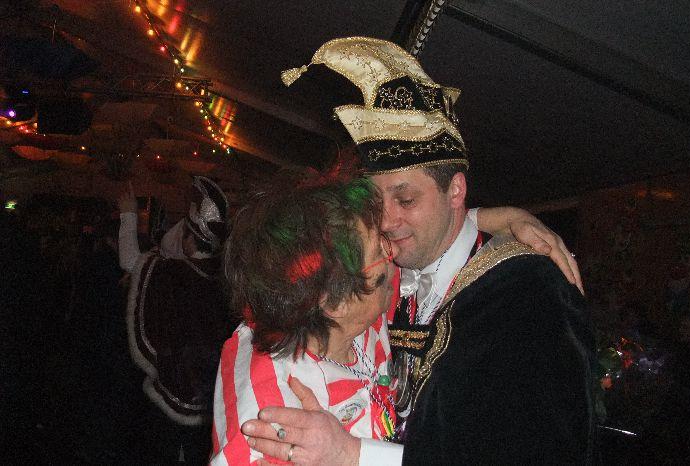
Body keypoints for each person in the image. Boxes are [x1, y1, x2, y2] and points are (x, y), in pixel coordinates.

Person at [243, 36, 596, 465]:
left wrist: (353, 454)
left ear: (456, 191)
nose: (387, 221)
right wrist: (488, 216)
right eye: (376, 203)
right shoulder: (384, 275)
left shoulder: (527, 291)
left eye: (406, 200)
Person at [210, 172, 398, 465]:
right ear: (336, 302)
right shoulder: (273, 416)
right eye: (380, 251)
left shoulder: (362, 317)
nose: (393, 252)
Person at [118, 176, 233, 464]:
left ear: (190, 239)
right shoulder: (228, 282)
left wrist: (128, 214)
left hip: (169, 402)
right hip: (212, 404)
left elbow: (129, 260)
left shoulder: (174, 274)